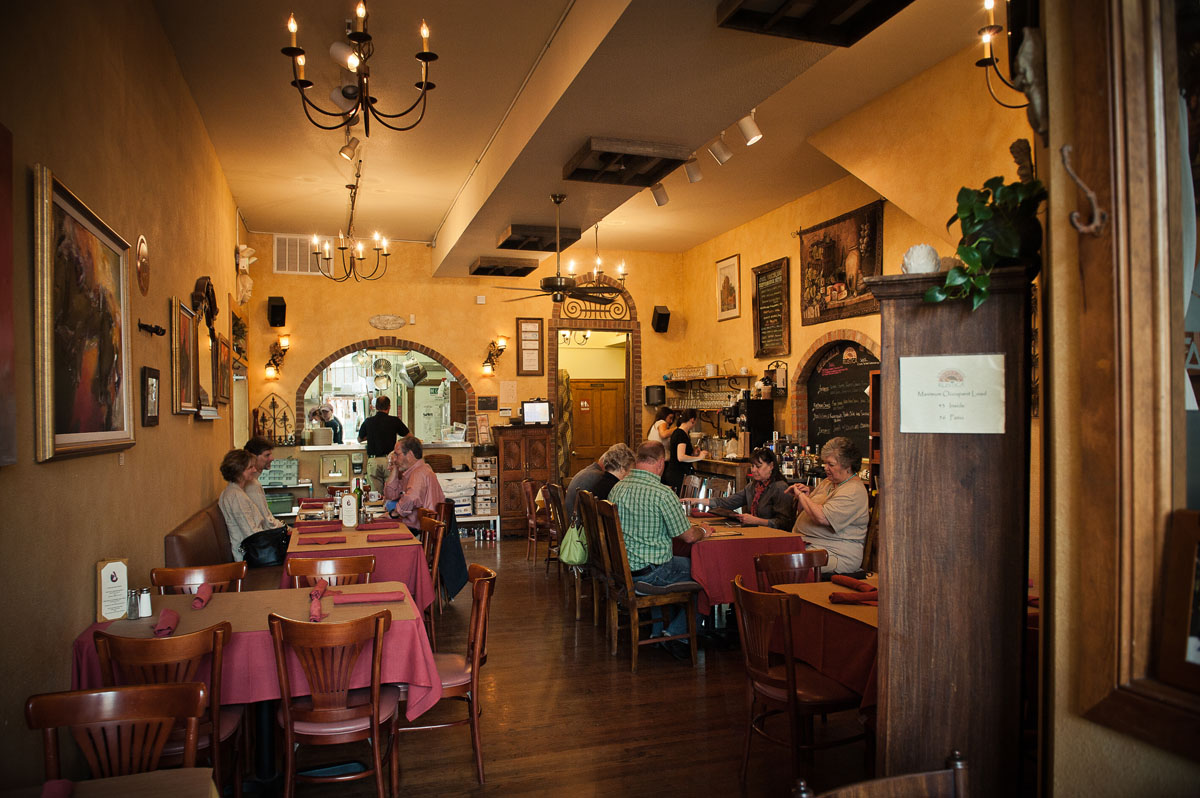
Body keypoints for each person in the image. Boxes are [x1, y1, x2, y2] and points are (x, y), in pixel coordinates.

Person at [608, 441, 710, 644]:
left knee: (666, 559)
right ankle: (677, 635)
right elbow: (688, 536)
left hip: (623, 571)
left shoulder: (617, 488)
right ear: (661, 463)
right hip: (652, 573)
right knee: (705, 572)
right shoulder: (662, 494)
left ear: (637, 459)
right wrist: (704, 530)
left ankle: (659, 629)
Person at [786, 436, 869, 574]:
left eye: (831, 464)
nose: (826, 468)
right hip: (810, 546)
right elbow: (806, 513)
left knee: (781, 564)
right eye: (825, 463)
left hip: (836, 554)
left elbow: (822, 517)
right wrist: (805, 498)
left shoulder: (853, 490)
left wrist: (801, 496)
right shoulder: (828, 483)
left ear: (847, 465)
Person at [683, 447, 795, 529]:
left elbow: (785, 523)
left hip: (774, 538)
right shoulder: (753, 486)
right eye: (752, 466)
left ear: (771, 466)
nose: (753, 470)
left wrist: (758, 521)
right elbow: (728, 502)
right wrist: (697, 501)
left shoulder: (780, 487)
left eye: (758, 466)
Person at [217, 448, 285, 561]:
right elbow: (252, 535)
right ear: (238, 471)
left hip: (253, 550)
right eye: (250, 467)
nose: (254, 470)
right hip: (249, 556)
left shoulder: (234, 491)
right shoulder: (236, 496)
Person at [564, 442, 635, 522]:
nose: (631, 475)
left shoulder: (600, 482)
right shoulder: (615, 488)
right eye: (631, 470)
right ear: (622, 469)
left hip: (586, 526)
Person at [384, 435, 445, 528]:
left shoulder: (419, 472)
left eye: (397, 454)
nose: (394, 458)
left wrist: (394, 513)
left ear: (410, 455)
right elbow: (391, 495)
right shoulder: (410, 473)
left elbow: (412, 498)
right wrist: (395, 468)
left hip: (420, 530)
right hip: (413, 526)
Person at [358, 396, 410, 494]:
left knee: (375, 494)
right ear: (389, 407)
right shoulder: (394, 421)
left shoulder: (368, 421)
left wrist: (370, 435)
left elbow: (359, 439)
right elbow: (409, 437)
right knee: (391, 491)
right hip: (389, 460)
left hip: (373, 461)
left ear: (376, 407)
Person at [661, 408, 708, 493]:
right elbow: (681, 457)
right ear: (692, 420)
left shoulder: (682, 433)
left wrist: (693, 453)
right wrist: (699, 458)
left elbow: (680, 453)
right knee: (681, 499)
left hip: (676, 473)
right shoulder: (680, 434)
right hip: (677, 475)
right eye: (696, 421)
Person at [242, 436, 275, 520]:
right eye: (267, 455)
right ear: (253, 457)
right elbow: (265, 520)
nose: (272, 458)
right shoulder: (252, 485)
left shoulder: (253, 482)